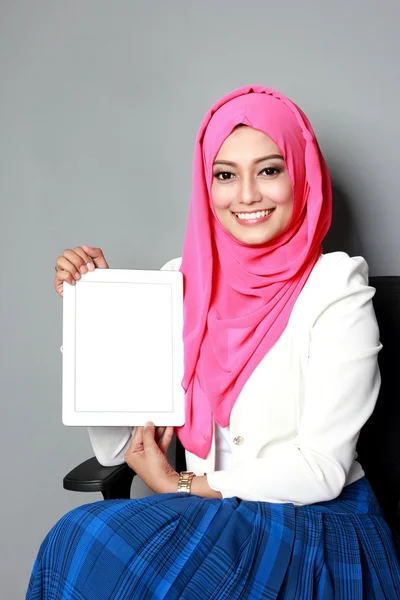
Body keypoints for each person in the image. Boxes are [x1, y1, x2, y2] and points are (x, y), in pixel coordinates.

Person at [26, 85, 400, 599]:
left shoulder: (336, 286)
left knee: (104, 543)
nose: (246, 195)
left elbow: (321, 470)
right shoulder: (179, 282)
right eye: (225, 175)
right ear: (207, 186)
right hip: (213, 517)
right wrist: (97, 312)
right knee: (77, 538)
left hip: (316, 526)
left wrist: (179, 486)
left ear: (302, 176)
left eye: (269, 170)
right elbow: (118, 445)